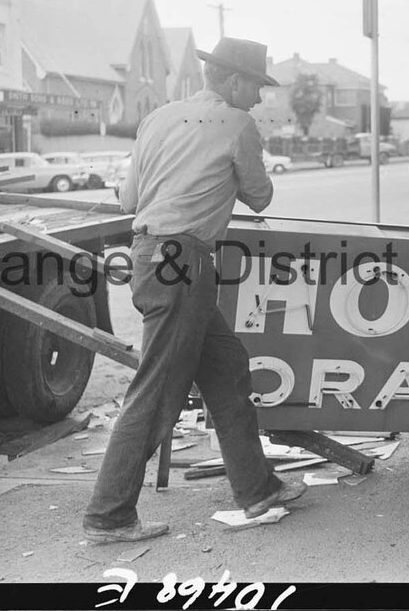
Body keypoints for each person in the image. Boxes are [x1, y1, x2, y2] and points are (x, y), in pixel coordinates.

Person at [83, 38, 305, 543]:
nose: (258, 99)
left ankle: (258, 490)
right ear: (231, 80)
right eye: (255, 86)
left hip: (150, 255)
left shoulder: (158, 117)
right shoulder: (238, 125)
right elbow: (260, 194)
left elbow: (129, 198)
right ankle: (109, 515)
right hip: (185, 263)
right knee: (157, 390)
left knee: (226, 368)